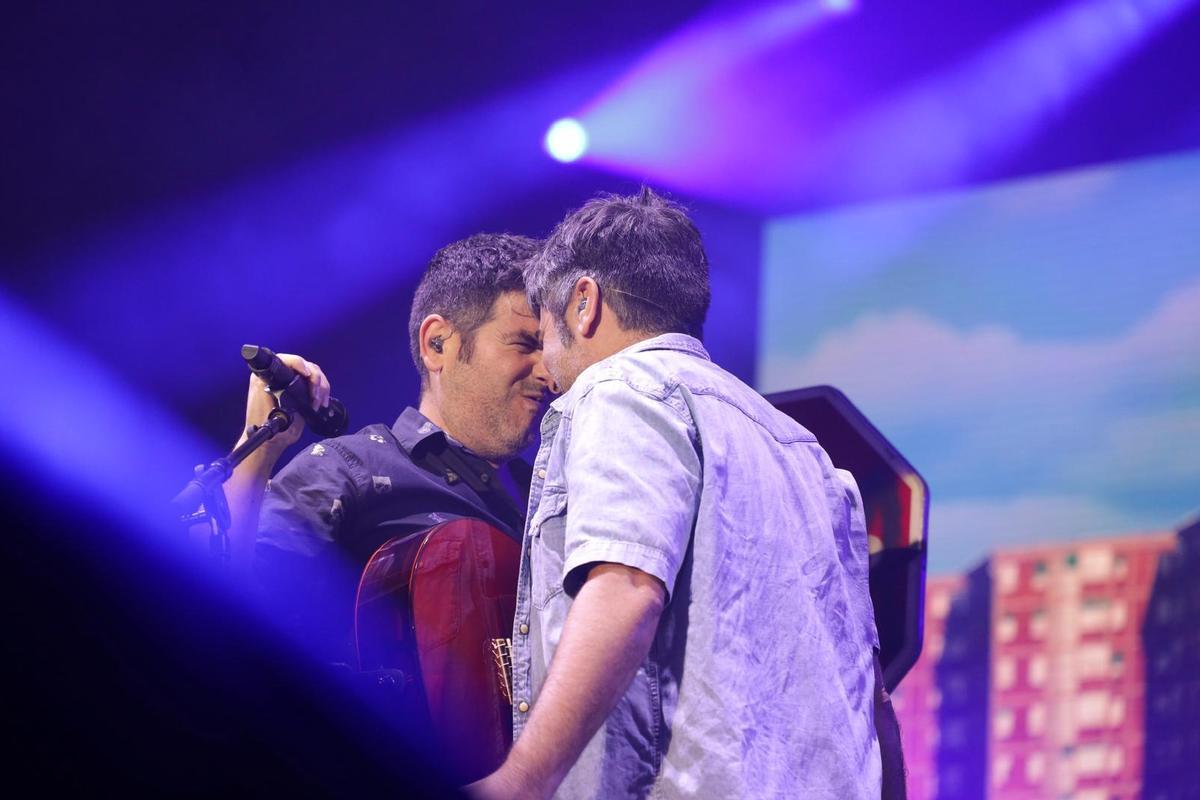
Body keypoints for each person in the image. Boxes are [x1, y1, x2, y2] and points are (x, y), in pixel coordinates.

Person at [470, 189, 898, 799]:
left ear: (584, 304)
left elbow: (626, 587)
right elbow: (869, 691)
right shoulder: (807, 454)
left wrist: (521, 781)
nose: (547, 368)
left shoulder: (620, 387)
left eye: (546, 335)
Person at [213, 233, 555, 661]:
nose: (549, 373)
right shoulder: (348, 469)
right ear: (437, 344)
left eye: (551, 350)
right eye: (526, 344)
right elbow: (221, 602)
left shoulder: (551, 499)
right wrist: (259, 446)